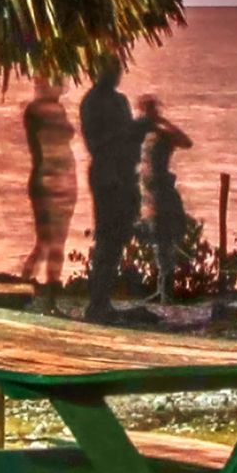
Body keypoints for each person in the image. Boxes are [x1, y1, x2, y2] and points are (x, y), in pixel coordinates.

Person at [76, 55, 144, 320]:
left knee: (118, 238)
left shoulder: (120, 101)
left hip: (125, 174)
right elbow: (95, 143)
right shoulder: (92, 102)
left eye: (118, 69)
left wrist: (141, 127)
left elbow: (131, 136)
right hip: (106, 176)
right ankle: (98, 302)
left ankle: (104, 300)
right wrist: (124, 134)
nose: (117, 74)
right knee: (106, 238)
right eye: (111, 69)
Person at [19, 76, 80, 291]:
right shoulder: (36, 111)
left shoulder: (56, 109)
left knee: (57, 240)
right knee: (45, 240)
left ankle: (52, 285)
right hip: (46, 178)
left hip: (63, 178)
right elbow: (39, 145)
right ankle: (27, 282)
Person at [136, 95, 196, 305]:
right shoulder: (141, 134)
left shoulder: (163, 134)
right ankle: (161, 288)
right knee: (157, 240)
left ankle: (166, 291)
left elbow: (186, 142)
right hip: (148, 195)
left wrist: (163, 123)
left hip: (162, 192)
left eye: (151, 110)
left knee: (165, 239)